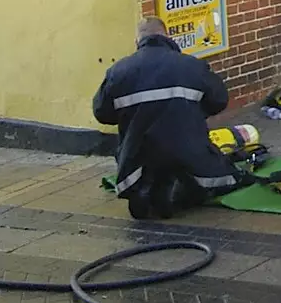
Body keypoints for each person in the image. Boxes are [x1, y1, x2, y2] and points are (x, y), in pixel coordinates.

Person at [94, 18, 244, 219]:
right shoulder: (192, 66)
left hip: (139, 153)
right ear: (167, 36)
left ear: (137, 41)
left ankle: (144, 188)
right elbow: (219, 100)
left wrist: (132, 116)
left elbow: (102, 113)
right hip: (188, 150)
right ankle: (179, 188)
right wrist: (191, 111)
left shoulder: (118, 72)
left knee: (139, 159)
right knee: (222, 176)